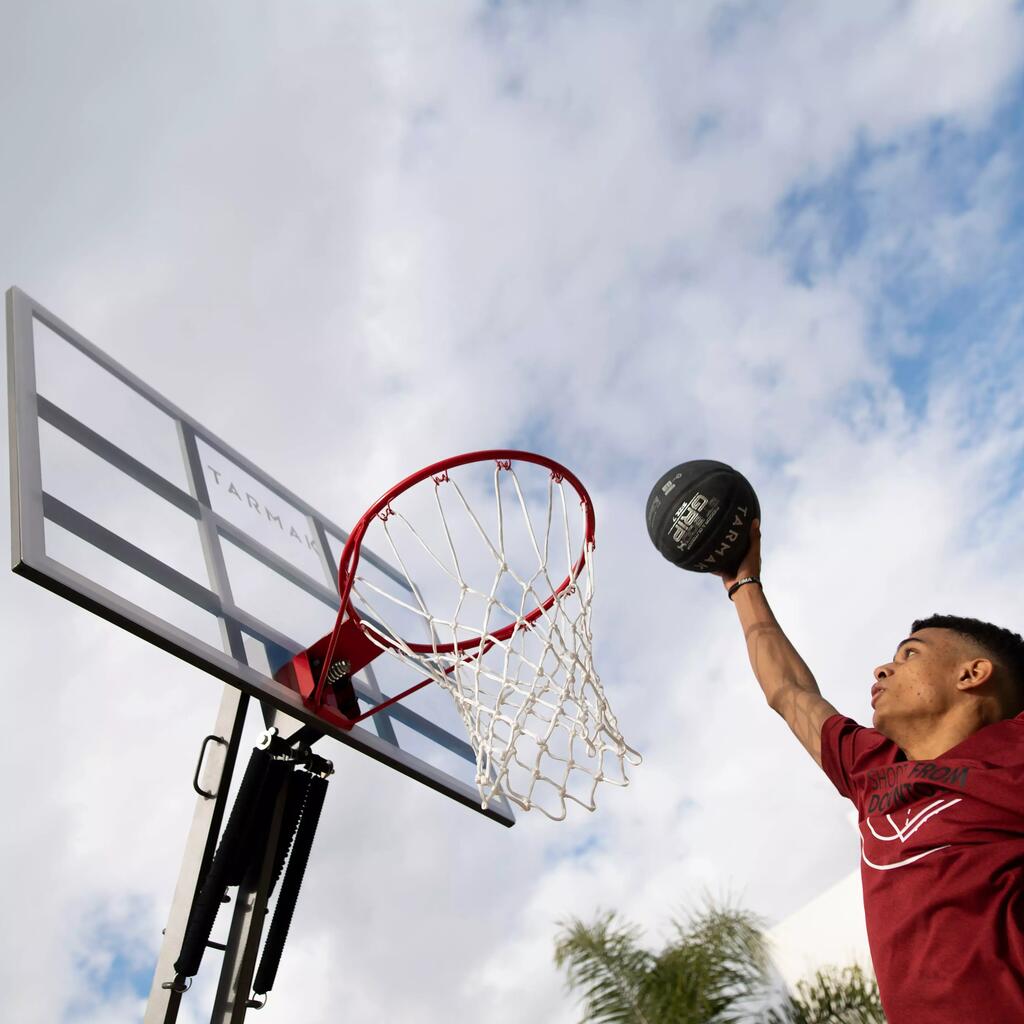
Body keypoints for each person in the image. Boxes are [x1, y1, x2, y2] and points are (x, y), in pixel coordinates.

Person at [720, 520, 1024, 1024]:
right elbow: (790, 693)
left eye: (909, 655)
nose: (882, 669)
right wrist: (740, 582)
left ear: (972, 674)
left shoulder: (1012, 750)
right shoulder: (874, 772)